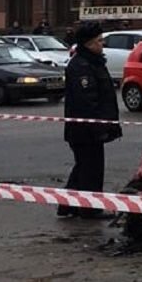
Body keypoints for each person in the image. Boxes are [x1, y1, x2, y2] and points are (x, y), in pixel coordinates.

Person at [59, 22, 122, 219]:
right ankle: (90, 209)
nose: (102, 44)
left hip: (90, 128)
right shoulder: (81, 66)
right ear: (88, 44)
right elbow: (87, 101)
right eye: (99, 41)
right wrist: (99, 127)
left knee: (83, 167)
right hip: (86, 129)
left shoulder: (93, 62)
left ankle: (67, 205)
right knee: (91, 170)